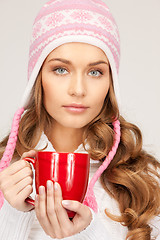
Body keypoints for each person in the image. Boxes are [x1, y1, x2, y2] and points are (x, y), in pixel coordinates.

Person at [0, 0, 160, 239]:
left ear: (111, 82)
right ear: (37, 76)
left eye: (95, 72)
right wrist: (14, 214)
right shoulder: (7, 171)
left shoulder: (145, 180)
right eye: (61, 70)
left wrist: (88, 233)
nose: (78, 90)